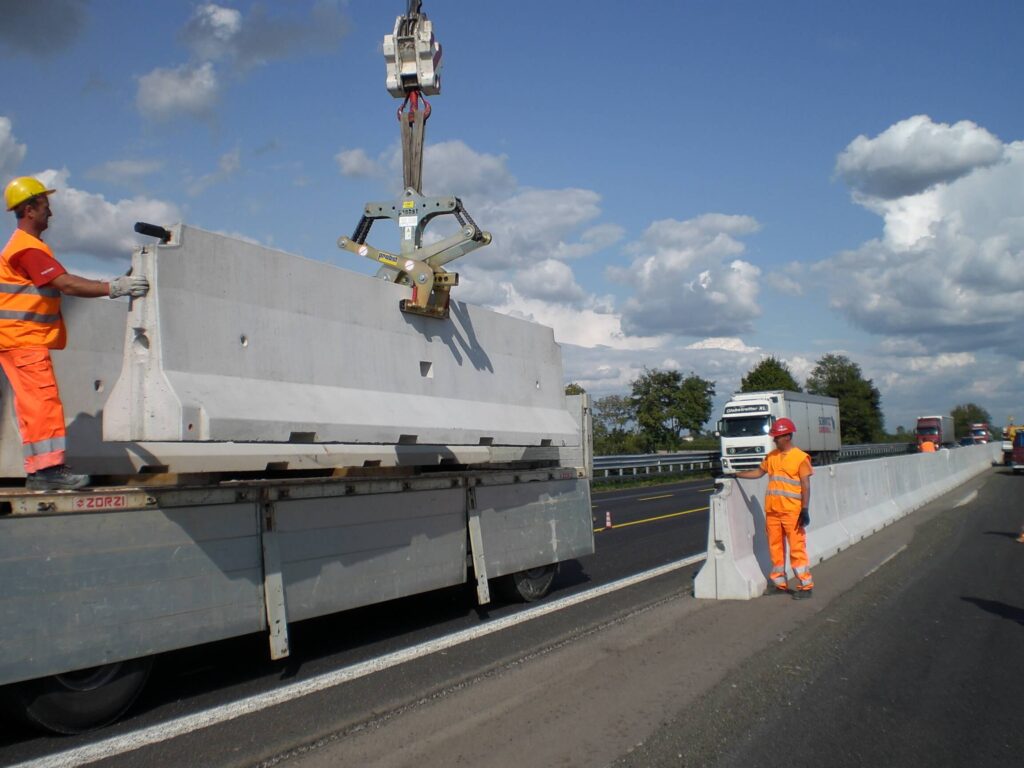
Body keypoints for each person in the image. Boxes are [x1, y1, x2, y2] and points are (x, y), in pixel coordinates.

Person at [2, 176, 149, 491]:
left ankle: (40, 470)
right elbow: (66, 283)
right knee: (43, 403)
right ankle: (48, 472)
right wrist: (113, 288)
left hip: (17, 340)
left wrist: (110, 283)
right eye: (45, 206)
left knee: (33, 405)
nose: (50, 214)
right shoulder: (26, 249)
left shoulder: (27, 247)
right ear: (29, 209)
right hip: (22, 339)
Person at [734, 417, 814, 599]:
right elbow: (758, 473)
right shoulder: (772, 456)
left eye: (776, 437)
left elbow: (806, 485)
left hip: (792, 512)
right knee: (775, 549)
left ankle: (806, 585)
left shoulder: (800, 458)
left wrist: (805, 509)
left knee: (797, 549)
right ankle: (780, 584)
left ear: (787, 436)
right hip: (773, 512)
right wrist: (736, 474)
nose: (774, 440)